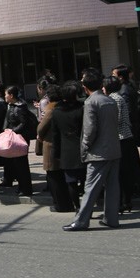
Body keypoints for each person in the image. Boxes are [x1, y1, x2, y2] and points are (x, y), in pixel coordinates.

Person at [63, 69, 121, 232]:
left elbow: (89, 130)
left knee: (90, 188)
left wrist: (84, 149)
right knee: (112, 187)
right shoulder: (109, 100)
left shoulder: (90, 102)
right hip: (114, 149)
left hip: (98, 152)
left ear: (84, 85)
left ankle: (81, 221)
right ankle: (111, 218)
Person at [104, 76, 138, 213]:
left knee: (121, 172)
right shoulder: (116, 97)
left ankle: (124, 201)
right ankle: (125, 201)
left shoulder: (115, 99)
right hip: (122, 138)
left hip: (121, 137)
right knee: (123, 172)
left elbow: (116, 120)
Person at [50, 81, 85, 212]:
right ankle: (88, 205)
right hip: (82, 148)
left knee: (71, 181)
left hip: (66, 150)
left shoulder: (57, 112)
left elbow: (55, 135)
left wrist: (56, 153)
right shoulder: (81, 109)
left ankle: (77, 206)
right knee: (86, 180)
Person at [3, 85, 34, 196]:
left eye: (6, 94)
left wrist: (13, 131)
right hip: (13, 138)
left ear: (11, 95)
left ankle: (25, 189)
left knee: (22, 165)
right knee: (17, 164)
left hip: (20, 139)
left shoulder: (20, 107)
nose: (5, 96)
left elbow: (23, 123)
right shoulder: (11, 105)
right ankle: (22, 187)